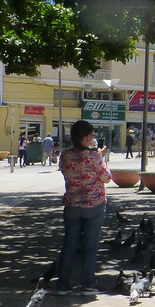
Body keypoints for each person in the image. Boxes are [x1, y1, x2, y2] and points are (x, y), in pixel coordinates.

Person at [56, 120, 112, 296]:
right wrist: (100, 156)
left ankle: (63, 284)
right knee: (90, 245)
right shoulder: (94, 157)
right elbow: (107, 177)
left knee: (69, 244)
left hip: (72, 204)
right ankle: (88, 283)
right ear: (87, 137)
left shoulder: (65, 156)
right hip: (94, 205)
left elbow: (67, 171)